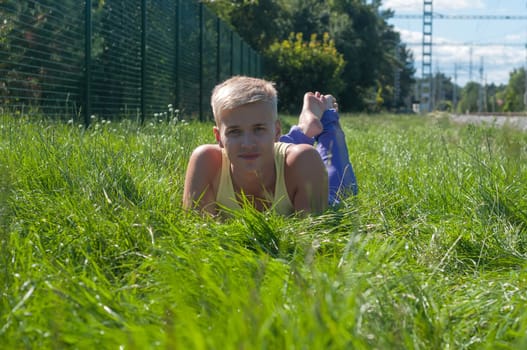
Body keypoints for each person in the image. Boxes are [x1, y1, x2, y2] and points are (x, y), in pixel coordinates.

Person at [182, 76, 357, 217]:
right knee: (266, 148)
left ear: (277, 132)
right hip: (273, 154)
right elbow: (198, 238)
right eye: (235, 132)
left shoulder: (305, 162)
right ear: (218, 137)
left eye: (258, 129)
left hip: (319, 186)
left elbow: (311, 243)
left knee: (337, 180)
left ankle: (327, 118)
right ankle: (304, 129)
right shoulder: (206, 162)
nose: (247, 144)